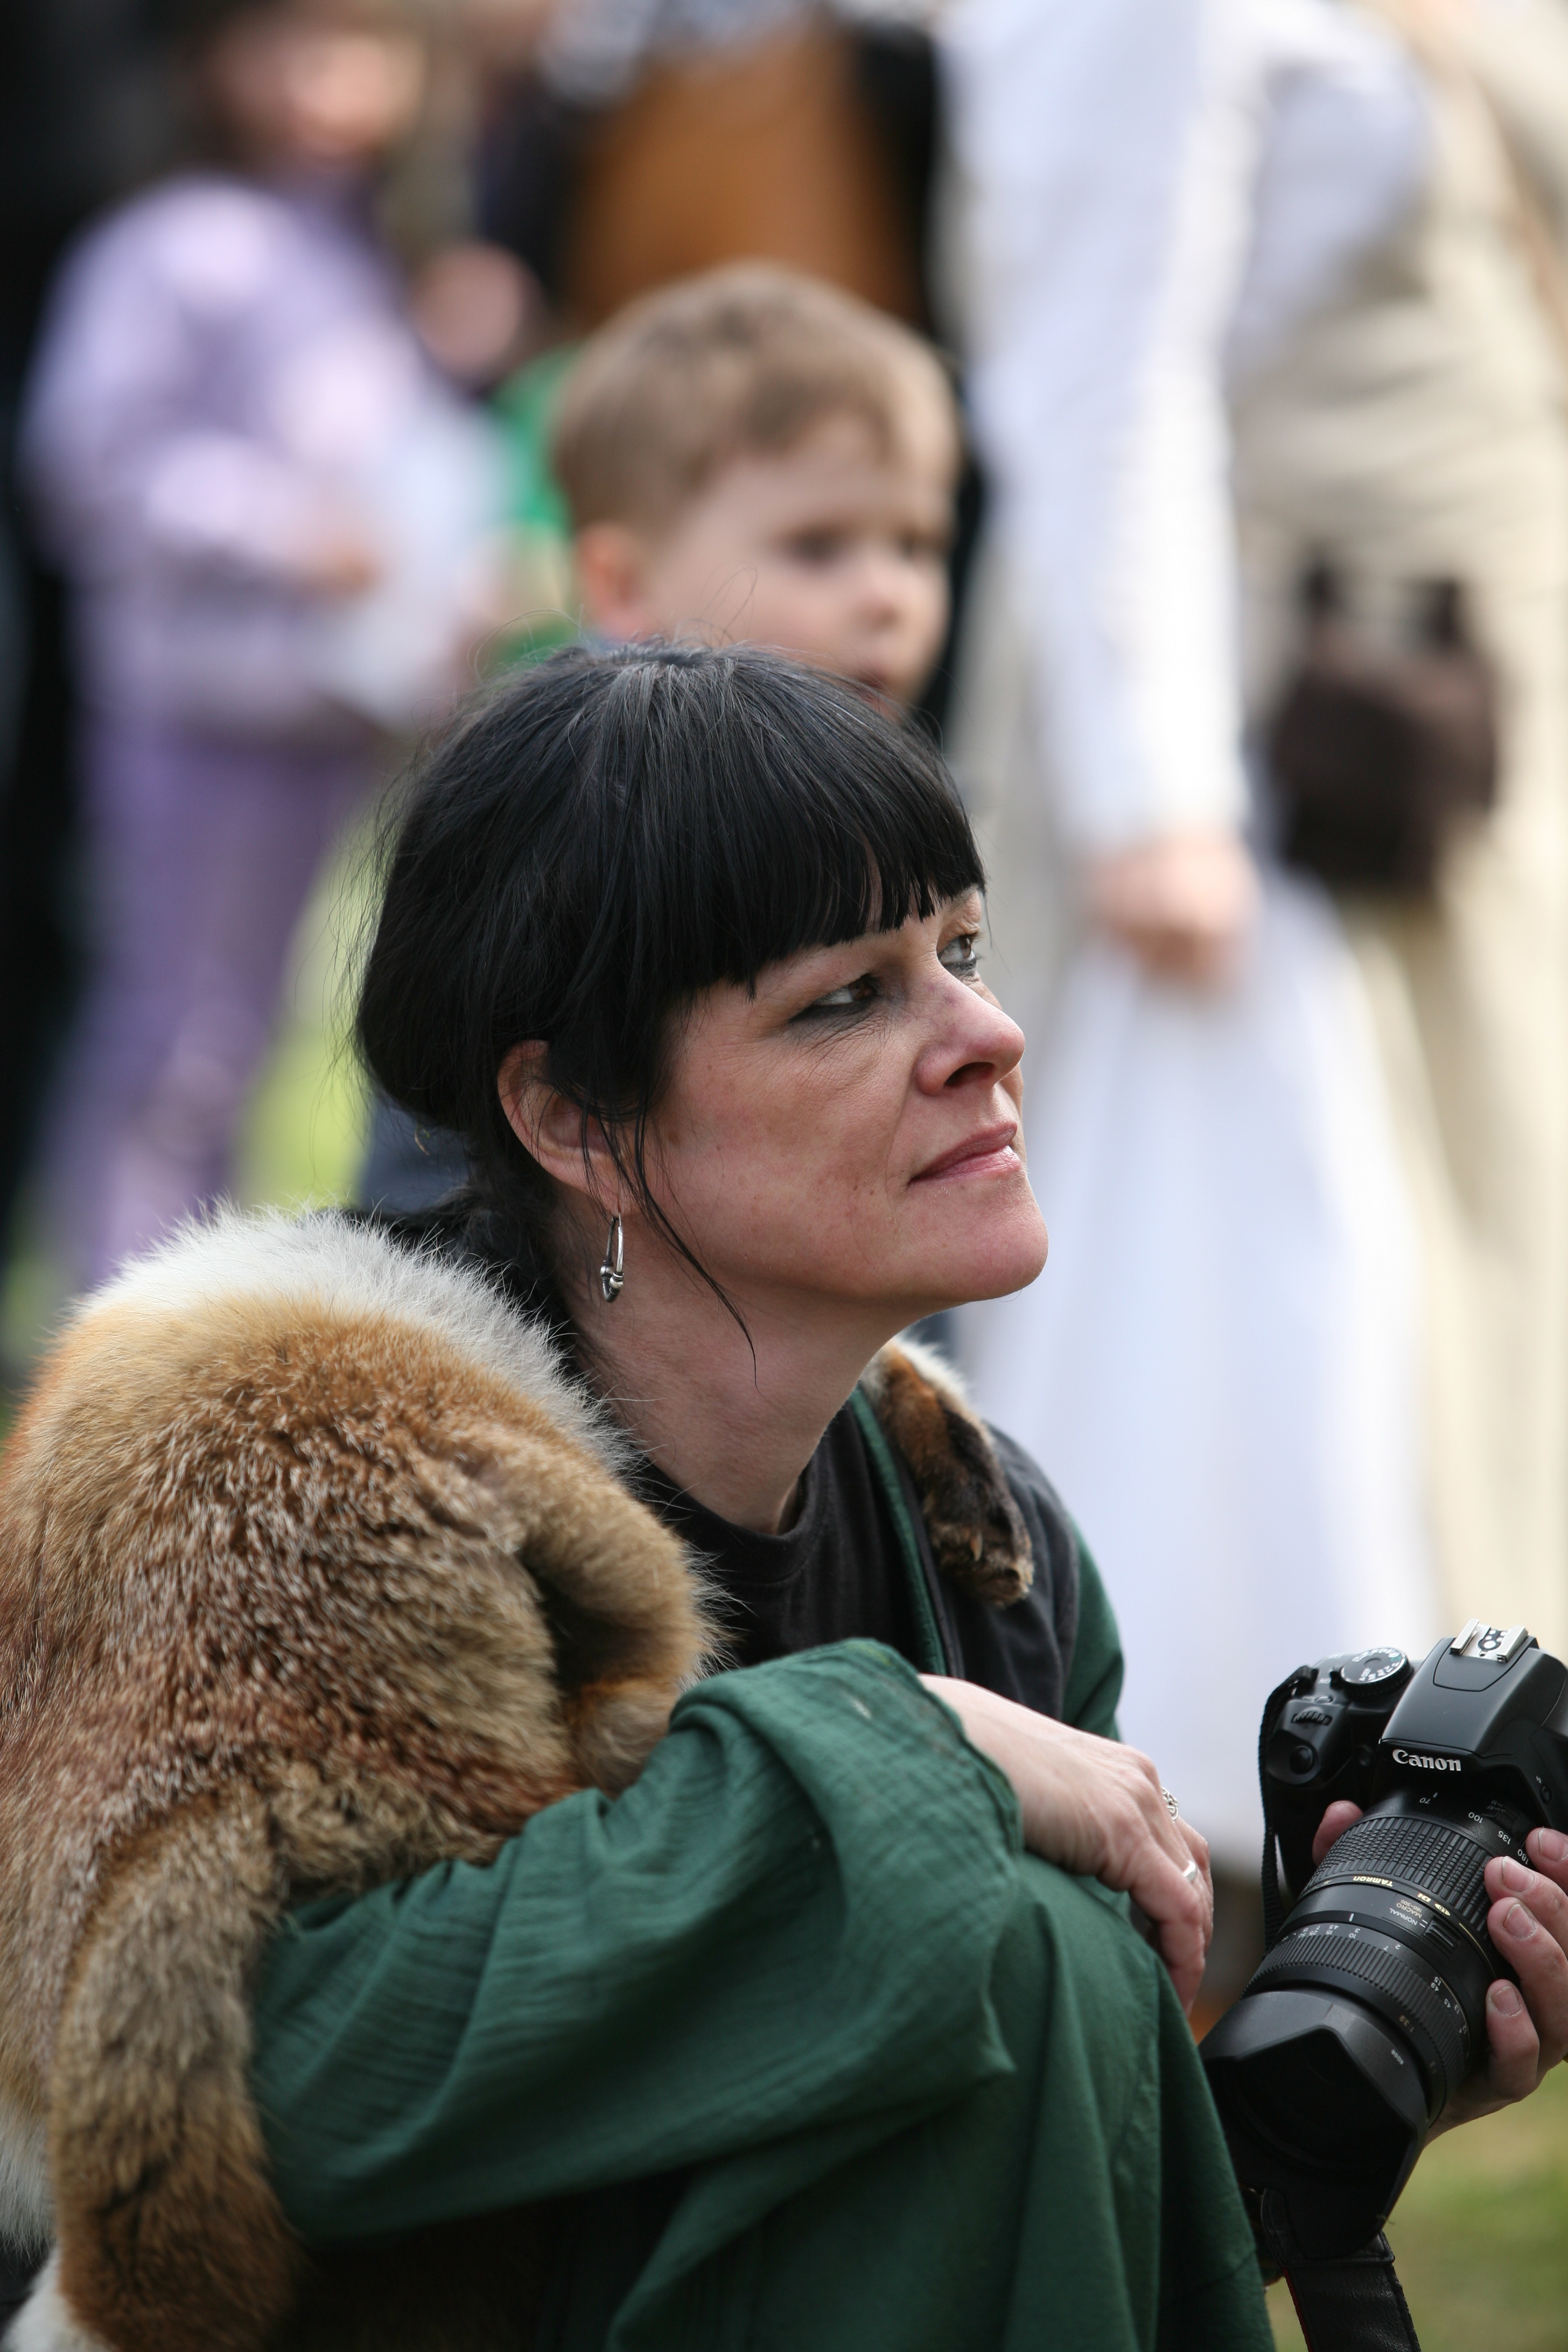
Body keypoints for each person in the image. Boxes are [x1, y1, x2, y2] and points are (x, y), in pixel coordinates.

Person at [20, 0, 503, 1287]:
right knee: (174, 1040)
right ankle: (113, 1321)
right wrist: (288, 532)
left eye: (358, 48)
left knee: (248, 1039)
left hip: (325, 708)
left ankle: (177, 1310)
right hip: (195, 709)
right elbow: (87, 460)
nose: (325, 83)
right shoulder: (171, 244)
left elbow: (408, 477)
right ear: (210, 60)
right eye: (288, 45)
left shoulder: (374, 259)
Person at [361, 261, 960, 1212]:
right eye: (818, 546)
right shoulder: (558, 816)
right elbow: (431, 1163)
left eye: (918, 545)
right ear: (624, 584)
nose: (890, 596)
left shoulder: (917, 802)